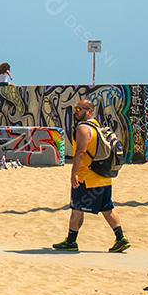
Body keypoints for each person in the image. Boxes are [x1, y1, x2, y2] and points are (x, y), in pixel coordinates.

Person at [53, 100, 130, 253]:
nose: (76, 112)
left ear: (88, 111)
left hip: (86, 178)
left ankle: (71, 241)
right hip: (103, 176)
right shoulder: (97, 126)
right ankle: (121, 238)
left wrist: (74, 173)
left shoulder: (83, 128)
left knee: (76, 209)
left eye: (78, 109)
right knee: (107, 208)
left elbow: (80, 153)